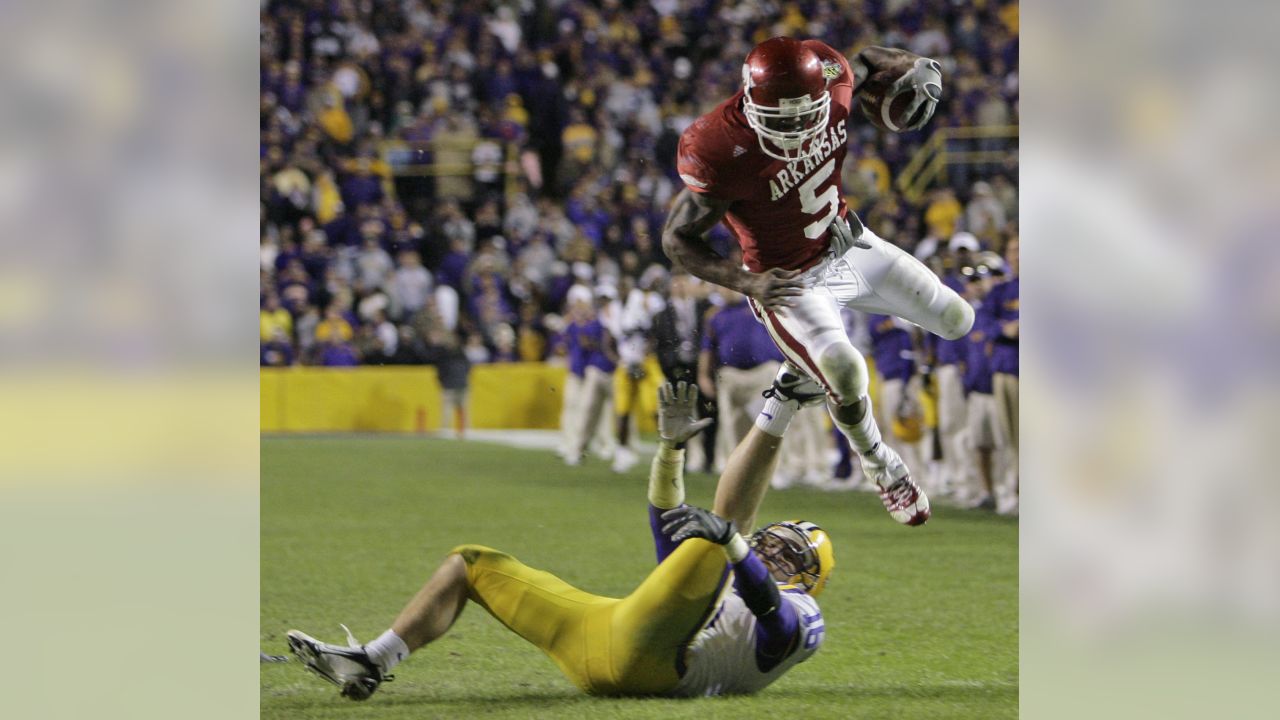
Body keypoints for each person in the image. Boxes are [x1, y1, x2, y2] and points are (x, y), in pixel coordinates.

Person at [287, 382, 833, 699]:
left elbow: (775, 621)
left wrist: (734, 544)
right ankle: (373, 660)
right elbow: (672, 536)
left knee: (716, 535)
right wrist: (669, 451)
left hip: (661, 665)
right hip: (608, 633)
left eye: (793, 553)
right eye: (776, 539)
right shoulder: (722, 566)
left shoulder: (802, 612)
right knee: (470, 564)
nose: (774, 548)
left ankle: (781, 399)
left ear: (812, 577)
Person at [662, 36, 973, 526]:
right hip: (789, 282)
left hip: (851, 244)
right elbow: (677, 239)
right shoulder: (719, 147)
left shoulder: (834, 82)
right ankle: (880, 463)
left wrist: (916, 68)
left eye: (808, 114)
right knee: (847, 372)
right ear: (749, 102)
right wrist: (747, 283)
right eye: (784, 120)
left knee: (959, 319)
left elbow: (868, 58)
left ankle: (798, 371)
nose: (799, 128)